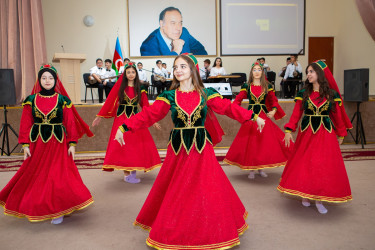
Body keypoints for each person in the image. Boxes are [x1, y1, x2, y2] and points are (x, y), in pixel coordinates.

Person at [114, 54, 265, 249]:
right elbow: (149, 115)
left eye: (183, 66)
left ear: (192, 69)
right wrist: (125, 127)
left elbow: (227, 108)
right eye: (175, 67)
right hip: (178, 152)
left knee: (207, 189)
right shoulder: (169, 96)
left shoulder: (206, 93)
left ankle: (210, 229)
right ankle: (177, 229)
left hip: (202, 150)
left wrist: (253, 116)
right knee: (178, 189)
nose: (178, 70)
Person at [0, 64, 94, 224]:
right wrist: (25, 145)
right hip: (37, 144)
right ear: (39, 80)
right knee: (38, 174)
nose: (47, 80)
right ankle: (39, 204)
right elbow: (25, 123)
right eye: (44, 78)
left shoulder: (63, 100)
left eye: (50, 78)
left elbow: (70, 123)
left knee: (57, 174)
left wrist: (72, 143)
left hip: (58, 144)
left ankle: (58, 209)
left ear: (55, 80)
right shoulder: (31, 100)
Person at [278, 60, 352, 214]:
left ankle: (318, 199)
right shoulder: (303, 93)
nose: (308, 74)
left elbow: (337, 116)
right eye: (308, 72)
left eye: (311, 71)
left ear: (320, 73)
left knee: (321, 164)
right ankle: (305, 194)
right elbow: (296, 114)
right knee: (305, 163)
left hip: (325, 134)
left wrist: (341, 133)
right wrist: (288, 129)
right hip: (306, 134)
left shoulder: (332, 94)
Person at [92, 62, 161, 183]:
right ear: (125, 74)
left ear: (136, 73)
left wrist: (152, 120)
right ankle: (127, 174)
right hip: (121, 118)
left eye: (133, 72)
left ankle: (133, 171)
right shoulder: (120, 87)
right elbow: (109, 101)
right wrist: (100, 116)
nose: (131, 74)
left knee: (135, 145)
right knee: (123, 145)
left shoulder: (141, 88)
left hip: (135, 119)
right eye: (128, 72)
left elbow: (145, 106)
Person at [224, 62, 293, 179]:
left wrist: (274, 110)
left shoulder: (267, 86)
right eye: (254, 70)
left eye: (259, 70)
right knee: (251, 143)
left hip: (263, 116)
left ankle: (260, 168)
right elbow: (237, 101)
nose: (256, 72)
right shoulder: (246, 86)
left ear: (262, 72)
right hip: (251, 117)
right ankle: (251, 168)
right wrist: (238, 111)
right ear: (251, 72)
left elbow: (274, 101)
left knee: (262, 143)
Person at [140, 7, 207, 56]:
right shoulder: (148, 45)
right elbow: (160, 71)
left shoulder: (184, 33)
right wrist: (176, 51)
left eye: (180, 23)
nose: (178, 28)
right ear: (161, 24)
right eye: (173, 23)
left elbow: (202, 53)